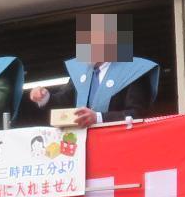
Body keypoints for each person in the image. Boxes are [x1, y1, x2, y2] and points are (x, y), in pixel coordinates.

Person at [31, 11, 160, 121]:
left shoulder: (133, 72)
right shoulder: (81, 72)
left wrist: (98, 118)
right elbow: (63, 102)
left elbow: (138, 114)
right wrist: (45, 97)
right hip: (83, 143)